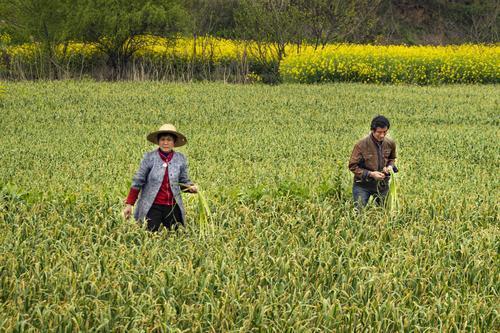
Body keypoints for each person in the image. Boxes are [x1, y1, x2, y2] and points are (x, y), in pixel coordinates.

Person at [123, 124, 198, 231]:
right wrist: (129, 204)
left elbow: (183, 181)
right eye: (162, 139)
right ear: (158, 141)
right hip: (152, 206)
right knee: (150, 235)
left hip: (172, 206)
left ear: (174, 142)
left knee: (175, 236)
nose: (165, 143)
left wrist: (191, 188)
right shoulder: (149, 158)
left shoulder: (180, 159)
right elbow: (138, 181)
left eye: (169, 139)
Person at [348, 115, 397, 209]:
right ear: (372, 130)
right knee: (359, 213)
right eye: (379, 132)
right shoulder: (361, 145)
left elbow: (392, 158)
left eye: (385, 132)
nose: (382, 135)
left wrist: (390, 167)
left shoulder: (390, 143)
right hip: (362, 185)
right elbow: (352, 166)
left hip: (382, 185)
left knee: (383, 212)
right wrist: (371, 174)